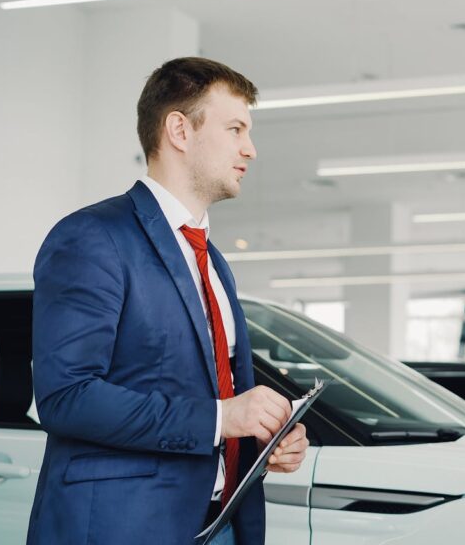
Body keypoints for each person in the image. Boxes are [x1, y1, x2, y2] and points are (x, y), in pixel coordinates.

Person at [27, 57, 309, 545]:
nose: (251, 149)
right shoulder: (93, 237)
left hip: (220, 522)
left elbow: (214, 391)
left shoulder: (213, 261)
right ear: (179, 129)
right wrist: (223, 418)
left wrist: (264, 435)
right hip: (126, 527)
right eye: (236, 128)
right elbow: (65, 396)